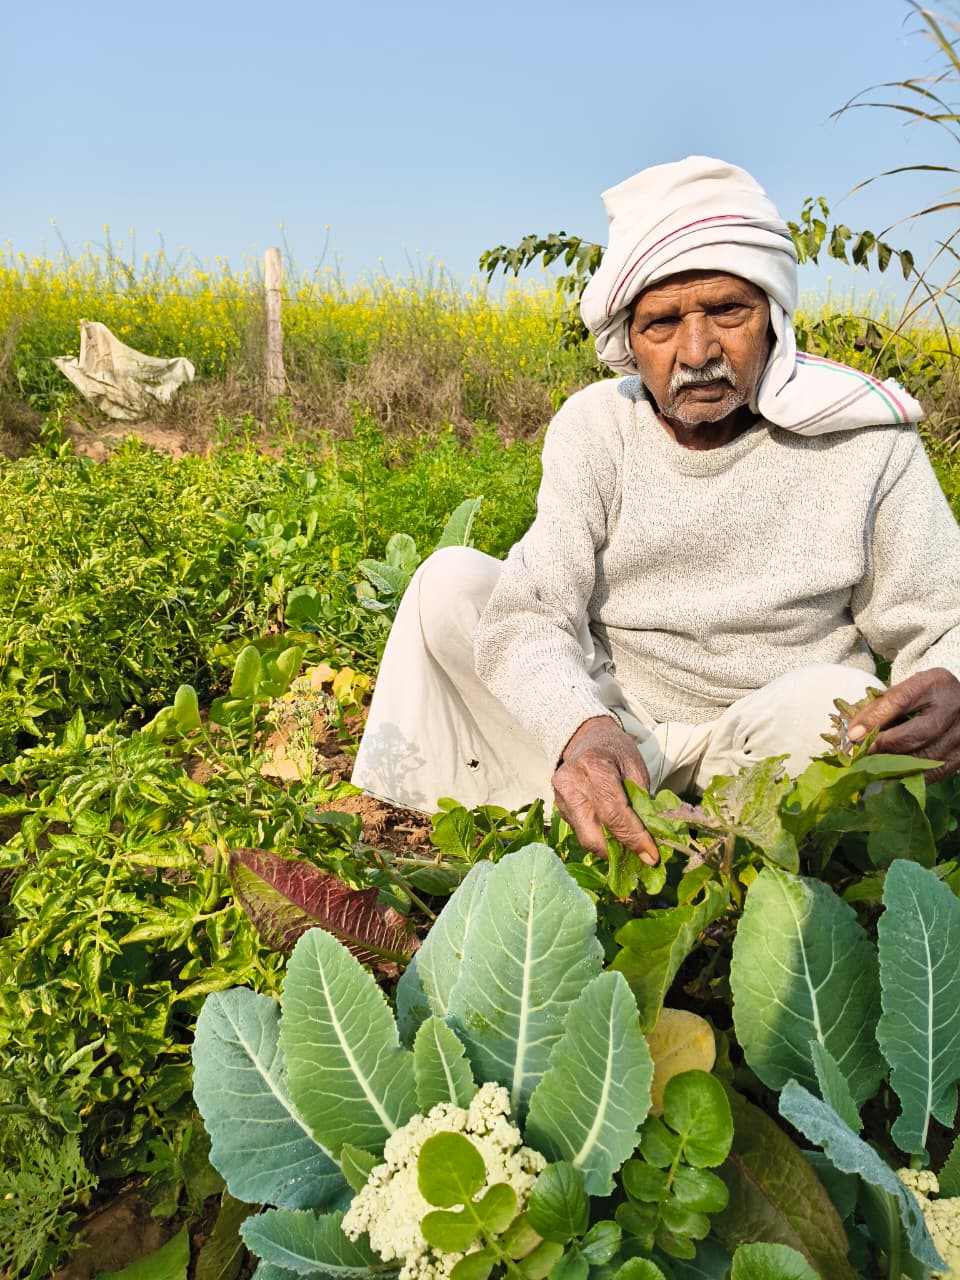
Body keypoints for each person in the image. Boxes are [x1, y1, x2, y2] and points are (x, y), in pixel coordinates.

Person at [352, 156, 960, 864]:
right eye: (663, 323)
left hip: (769, 740)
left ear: (772, 316)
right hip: (622, 729)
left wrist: (954, 680)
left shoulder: (863, 437)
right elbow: (533, 610)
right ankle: (514, 821)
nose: (698, 352)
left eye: (728, 311)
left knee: (836, 704)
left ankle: (698, 845)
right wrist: (581, 727)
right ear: (628, 343)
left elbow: (943, 615)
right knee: (451, 584)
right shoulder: (596, 428)